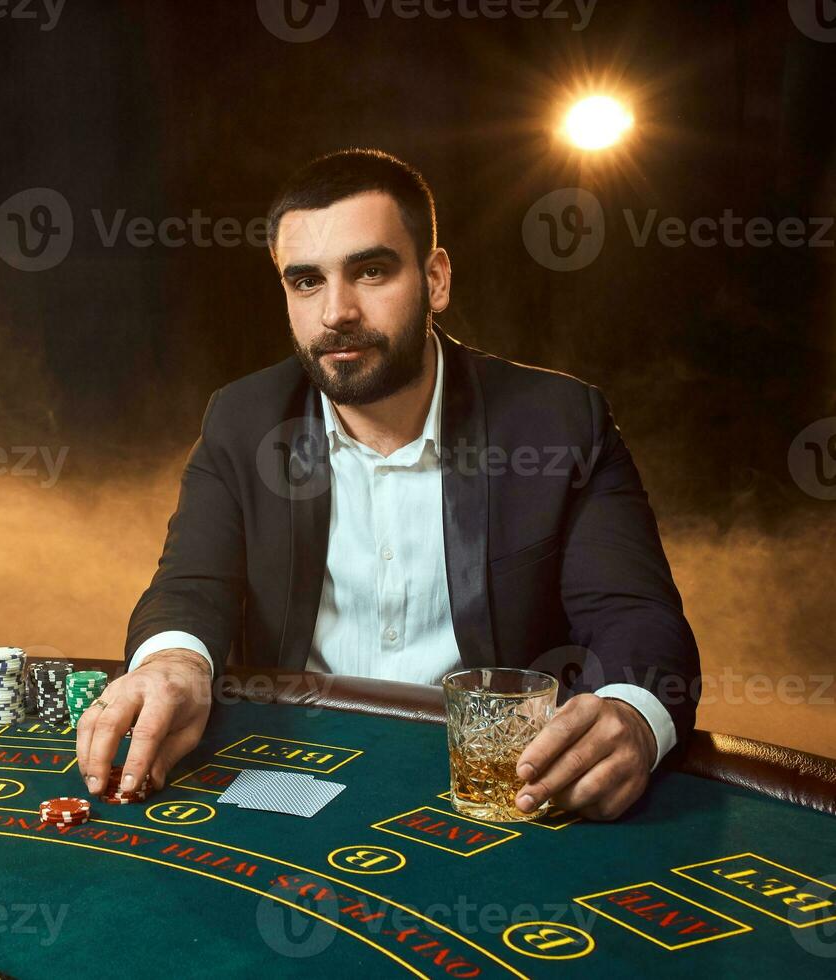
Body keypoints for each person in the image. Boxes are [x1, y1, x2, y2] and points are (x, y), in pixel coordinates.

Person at [75, 149, 700, 821]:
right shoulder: (243, 420)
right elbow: (189, 586)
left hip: (492, 795)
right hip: (292, 776)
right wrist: (174, 663)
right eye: (307, 281)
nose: (337, 311)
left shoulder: (557, 424)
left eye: (370, 271)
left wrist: (631, 715)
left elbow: (633, 616)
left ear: (435, 279)